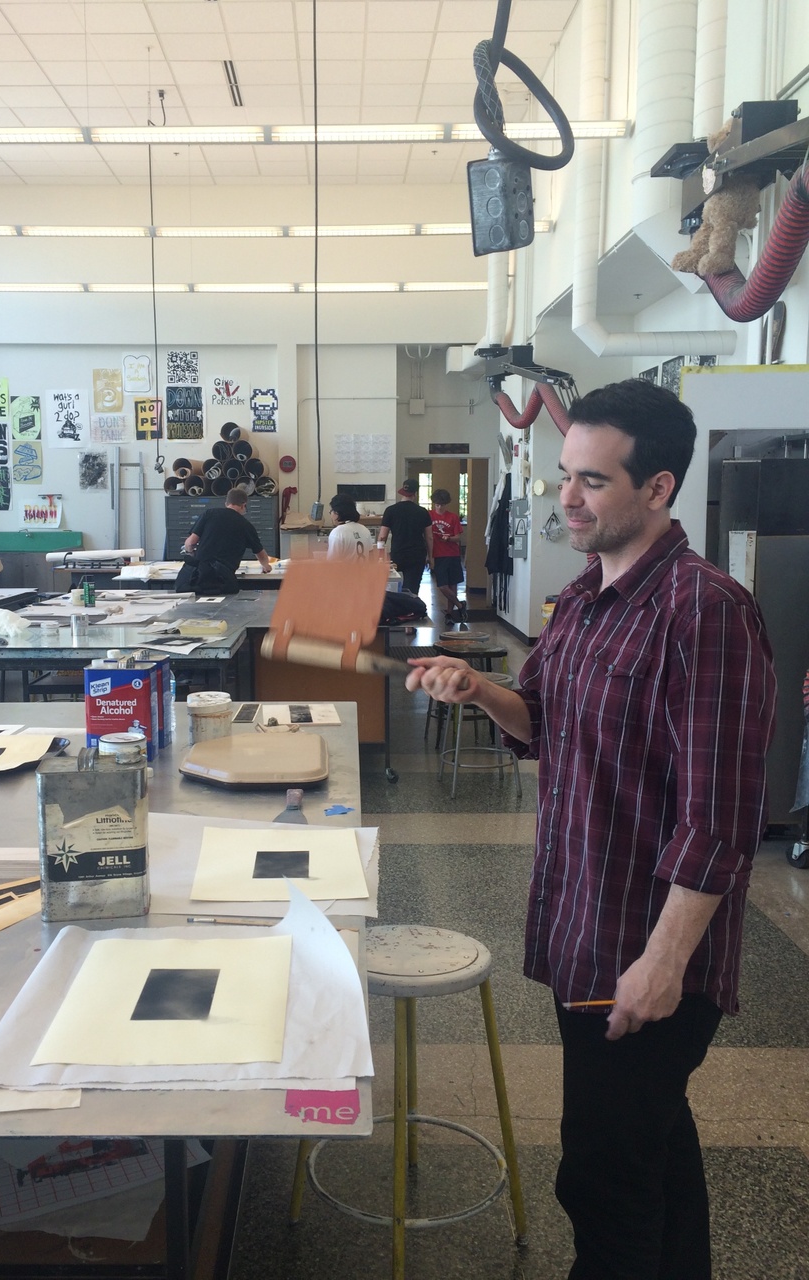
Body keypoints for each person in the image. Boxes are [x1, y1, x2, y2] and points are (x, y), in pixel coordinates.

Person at [405, 379, 776, 1280]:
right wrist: (482, 689)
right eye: (564, 476)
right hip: (584, 923)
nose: (567, 498)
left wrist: (663, 962)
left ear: (657, 489)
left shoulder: (703, 610)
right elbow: (552, 725)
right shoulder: (586, 598)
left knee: (603, 1181)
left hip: (644, 951)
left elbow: (720, 817)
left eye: (592, 482)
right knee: (653, 1151)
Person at [175, 488, 271, 594]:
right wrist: (266, 566)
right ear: (244, 505)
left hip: (199, 577)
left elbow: (190, 543)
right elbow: (260, 552)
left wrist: (191, 552)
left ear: (226, 503)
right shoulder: (246, 525)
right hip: (222, 581)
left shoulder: (209, 514)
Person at [377, 479, 432, 595]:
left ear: (402, 491)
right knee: (412, 589)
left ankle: (395, 610)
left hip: (397, 553)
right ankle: (410, 611)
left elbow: (382, 537)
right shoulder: (422, 512)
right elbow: (429, 537)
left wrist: (380, 556)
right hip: (417, 555)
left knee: (392, 585)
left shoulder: (390, 510)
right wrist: (431, 557)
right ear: (415, 493)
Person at [429, 488, 466, 624]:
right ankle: (460, 605)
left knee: (452, 585)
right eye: (437, 505)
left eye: (442, 505)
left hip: (452, 553)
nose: (439, 508)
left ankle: (450, 613)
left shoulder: (453, 517)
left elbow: (458, 537)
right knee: (442, 585)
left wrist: (448, 538)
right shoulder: (429, 515)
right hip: (438, 554)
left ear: (446, 504)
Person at [326, 494, 376, 560]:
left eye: (331, 511)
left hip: (345, 570)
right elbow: (371, 559)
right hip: (364, 570)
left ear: (336, 512)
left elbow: (332, 563)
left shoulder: (337, 533)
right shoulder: (364, 530)